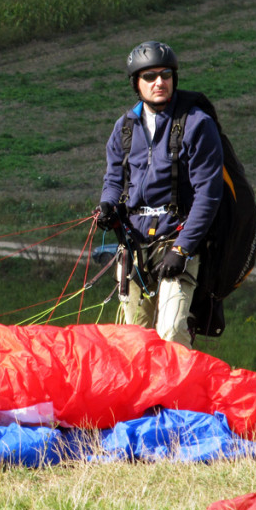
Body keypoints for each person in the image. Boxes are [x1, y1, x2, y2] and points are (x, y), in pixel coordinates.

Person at [95, 40, 224, 347]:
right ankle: (148, 398)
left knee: (171, 331)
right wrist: (108, 205)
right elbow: (115, 179)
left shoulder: (197, 125)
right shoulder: (124, 128)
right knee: (135, 340)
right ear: (135, 83)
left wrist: (182, 249)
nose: (159, 82)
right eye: (149, 76)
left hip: (176, 241)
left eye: (165, 74)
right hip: (134, 246)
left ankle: (178, 397)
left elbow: (208, 193)